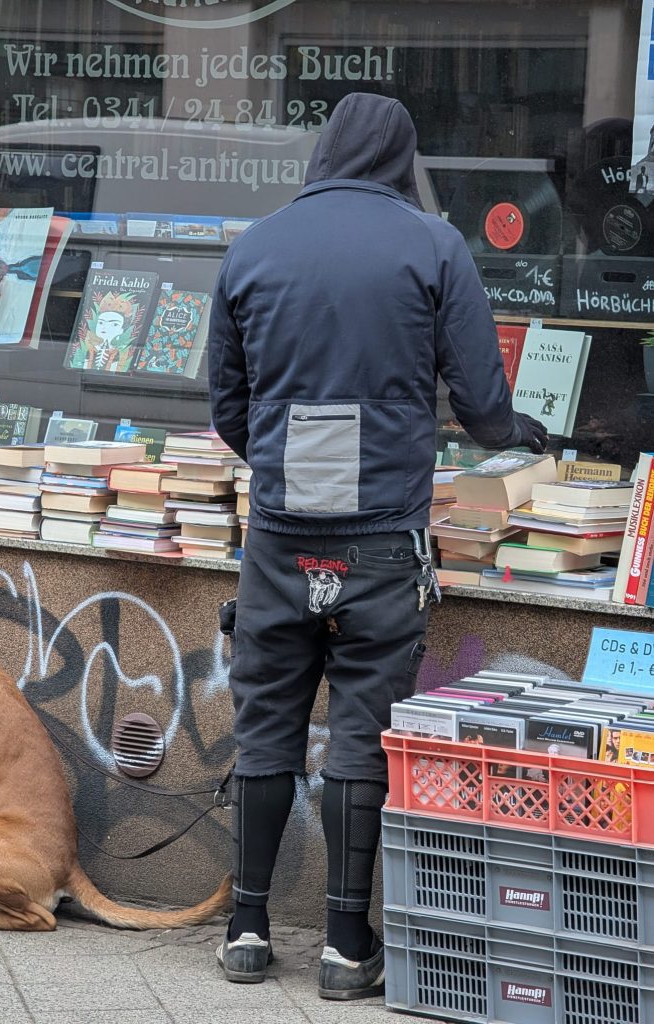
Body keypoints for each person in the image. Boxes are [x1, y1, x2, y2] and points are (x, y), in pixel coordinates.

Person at [207, 92, 548, 1000]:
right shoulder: (432, 246)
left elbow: (227, 406)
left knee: (264, 722)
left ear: (323, 150)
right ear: (401, 157)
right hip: (381, 539)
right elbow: (481, 406)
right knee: (362, 730)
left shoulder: (253, 246)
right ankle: (343, 946)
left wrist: (284, 463)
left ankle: (246, 930)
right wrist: (522, 434)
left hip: (279, 538)